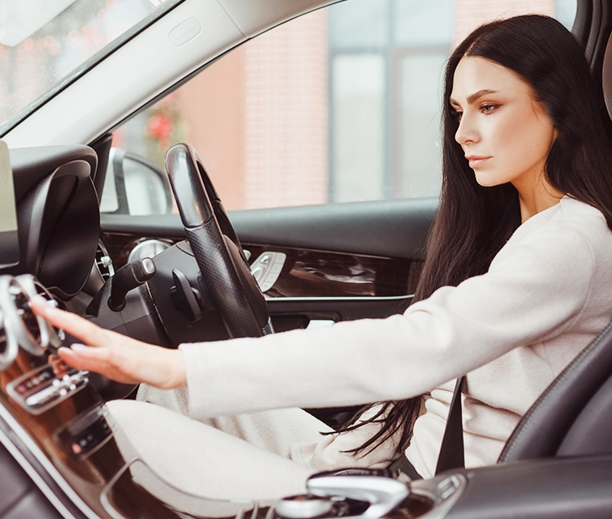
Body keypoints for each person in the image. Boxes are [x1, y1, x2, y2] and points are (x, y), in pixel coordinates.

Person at [32, 14, 612, 502]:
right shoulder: (530, 225)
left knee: (118, 424)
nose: (462, 133)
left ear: (556, 110)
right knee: (166, 398)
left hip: (415, 498)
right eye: (459, 110)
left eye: (489, 107)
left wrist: (175, 361)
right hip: (375, 460)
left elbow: (419, 345)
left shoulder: (574, 242)